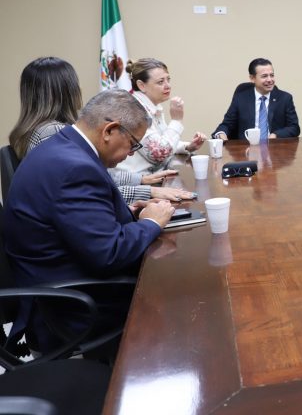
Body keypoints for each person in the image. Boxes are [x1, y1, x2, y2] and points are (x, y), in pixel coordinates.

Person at [4, 89, 175, 350]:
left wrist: (130, 214)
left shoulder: (63, 147)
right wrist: (150, 224)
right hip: (73, 306)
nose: (132, 153)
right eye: (133, 143)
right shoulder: (75, 168)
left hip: (60, 285)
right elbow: (109, 254)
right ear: (109, 130)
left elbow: (74, 223)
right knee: (178, 295)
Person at [7, 57, 193, 203]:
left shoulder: (41, 130)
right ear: (69, 91)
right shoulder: (54, 134)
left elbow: (93, 175)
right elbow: (88, 190)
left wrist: (140, 180)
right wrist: (148, 192)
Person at [118, 58, 208, 174]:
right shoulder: (134, 110)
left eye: (168, 80)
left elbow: (162, 141)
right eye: (160, 82)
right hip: (137, 180)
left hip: (156, 174)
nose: (168, 86)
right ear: (141, 85)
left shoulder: (152, 106)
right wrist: (176, 120)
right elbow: (159, 154)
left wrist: (188, 147)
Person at [213, 58, 300, 141]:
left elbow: (294, 128)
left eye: (272, 75)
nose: (270, 80)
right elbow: (227, 124)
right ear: (252, 78)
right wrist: (221, 134)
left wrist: (275, 135)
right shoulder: (241, 98)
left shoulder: (285, 98)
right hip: (245, 148)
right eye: (264, 76)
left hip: (274, 148)